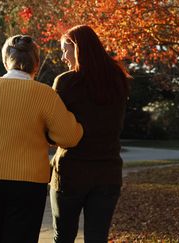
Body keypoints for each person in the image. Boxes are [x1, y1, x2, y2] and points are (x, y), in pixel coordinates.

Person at [0, 34, 84, 243]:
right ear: (36, 65)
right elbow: (69, 137)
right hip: (28, 179)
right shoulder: (45, 94)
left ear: (5, 61)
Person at [50, 25, 131, 242]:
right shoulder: (118, 79)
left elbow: (53, 128)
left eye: (64, 49)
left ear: (76, 48)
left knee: (64, 236)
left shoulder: (66, 82)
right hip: (108, 172)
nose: (62, 57)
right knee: (97, 238)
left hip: (71, 173)